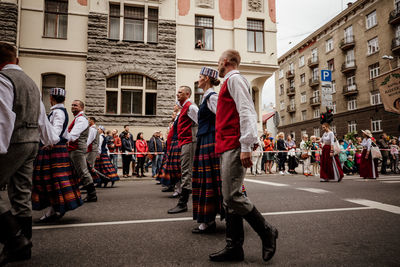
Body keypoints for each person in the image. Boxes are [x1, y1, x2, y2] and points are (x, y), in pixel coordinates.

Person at [209, 49, 278, 263]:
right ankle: (234, 247)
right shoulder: (229, 82)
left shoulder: (235, 79)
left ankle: (267, 231)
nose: (217, 65)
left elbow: (247, 110)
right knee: (230, 200)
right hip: (226, 144)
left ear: (226, 61)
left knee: (232, 196)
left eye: (219, 61)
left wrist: (247, 144)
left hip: (234, 144)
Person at [0, 42, 60, 264]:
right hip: (32, 142)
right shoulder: (33, 84)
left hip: (14, 141)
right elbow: (41, 116)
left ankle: (15, 241)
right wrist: (49, 139)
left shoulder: (4, 80)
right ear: (16, 60)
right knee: (21, 192)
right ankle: (24, 246)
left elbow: (3, 118)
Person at [32, 88, 83, 223]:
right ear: (64, 99)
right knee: (51, 181)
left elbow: (57, 130)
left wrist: (51, 141)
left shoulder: (58, 112)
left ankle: (55, 210)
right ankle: (54, 209)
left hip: (53, 149)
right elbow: (65, 133)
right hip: (56, 148)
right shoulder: (59, 111)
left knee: (52, 181)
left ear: (51, 98)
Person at [190, 67, 224, 234]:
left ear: (208, 79)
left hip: (211, 140)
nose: (199, 80)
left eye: (201, 77)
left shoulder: (212, 97)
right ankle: (207, 219)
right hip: (205, 139)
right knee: (205, 178)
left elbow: (222, 118)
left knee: (210, 178)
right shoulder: (206, 97)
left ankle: (209, 220)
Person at [168, 86, 199, 214]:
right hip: (185, 142)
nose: (177, 94)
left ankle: (183, 203)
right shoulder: (185, 107)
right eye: (177, 92)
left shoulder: (191, 107)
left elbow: (201, 122)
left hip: (190, 142)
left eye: (180, 92)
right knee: (185, 171)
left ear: (187, 94)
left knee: (186, 172)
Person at [67, 100, 98, 202]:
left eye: (75, 105)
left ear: (81, 107)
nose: (73, 106)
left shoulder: (81, 119)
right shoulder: (77, 119)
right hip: (74, 148)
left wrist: (64, 139)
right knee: (77, 171)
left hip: (77, 148)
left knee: (83, 171)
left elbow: (73, 135)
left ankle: (92, 195)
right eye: (72, 105)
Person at [160, 106, 182, 197]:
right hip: (171, 146)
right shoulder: (174, 121)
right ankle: (175, 188)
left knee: (178, 169)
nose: (174, 107)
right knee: (173, 169)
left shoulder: (182, 115)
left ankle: (180, 190)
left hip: (177, 144)